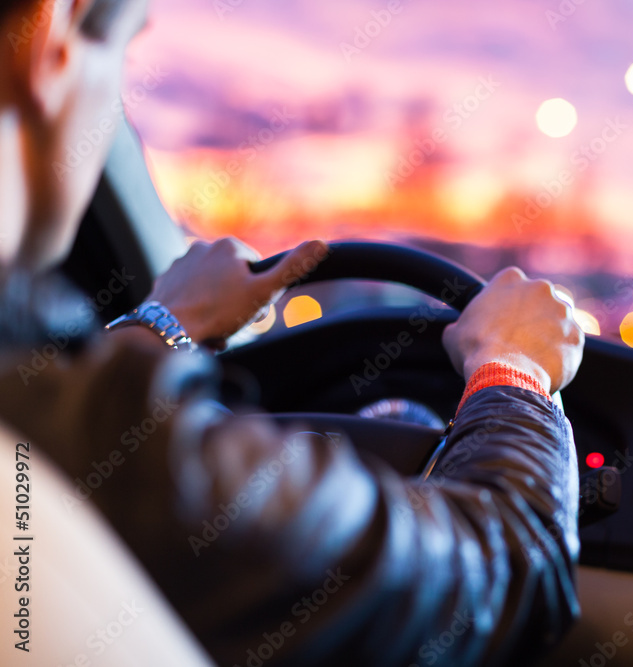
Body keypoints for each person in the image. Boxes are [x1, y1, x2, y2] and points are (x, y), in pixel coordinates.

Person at [0, 0, 585, 665]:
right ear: (51, 43)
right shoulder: (127, 461)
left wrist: (162, 325)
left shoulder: (50, 418)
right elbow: (507, 568)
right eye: (125, 58)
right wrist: (513, 371)